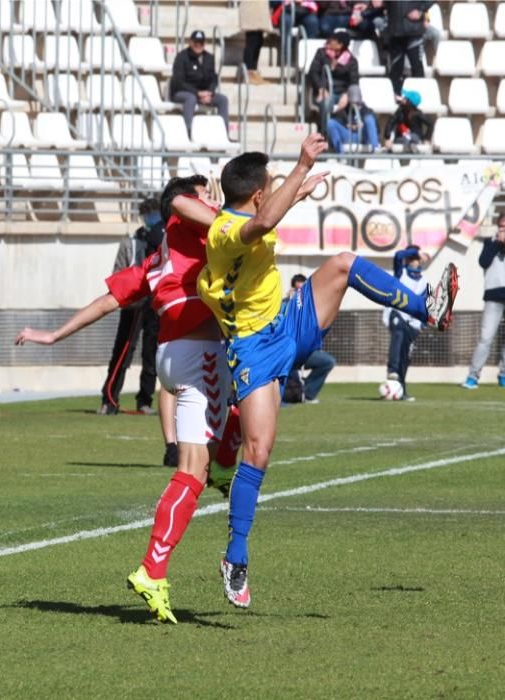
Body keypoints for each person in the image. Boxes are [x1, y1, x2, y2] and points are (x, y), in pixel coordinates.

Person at [196, 133, 458, 608]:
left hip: (284, 323)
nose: (274, 191)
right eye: (270, 186)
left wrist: (299, 189)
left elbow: (266, 214)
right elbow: (262, 222)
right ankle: (235, 556)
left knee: (343, 263)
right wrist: (299, 169)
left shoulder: (245, 215)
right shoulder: (227, 230)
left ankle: (427, 308)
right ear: (257, 194)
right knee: (259, 451)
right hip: (252, 350)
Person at [17, 175, 242, 624]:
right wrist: (225, 209)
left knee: (232, 428)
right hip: (200, 353)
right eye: (202, 193)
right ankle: (152, 569)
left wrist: (54, 335)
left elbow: (105, 302)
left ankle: (217, 473)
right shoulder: (199, 229)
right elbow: (235, 230)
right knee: (196, 467)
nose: (208, 198)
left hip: (172, 356)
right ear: (185, 204)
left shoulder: (156, 258)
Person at [100, 196, 164, 416]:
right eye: (147, 215)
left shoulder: (163, 240)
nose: (151, 220)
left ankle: (144, 401)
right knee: (123, 352)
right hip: (134, 304)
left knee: (151, 354)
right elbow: (118, 272)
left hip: (155, 304)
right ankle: (109, 399)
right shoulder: (132, 242)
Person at [462, 213, 505, 390]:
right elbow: (483, 261)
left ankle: (504, 375)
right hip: (494, 296)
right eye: (502, 226)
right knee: (485, 338)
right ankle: (473, 376)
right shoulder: (489, 242)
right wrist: (497, 243)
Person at [309, 29, 378, 151]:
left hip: (343, 93)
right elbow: (313, 72)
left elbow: (354, 81)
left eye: (334, 40)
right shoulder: (321, 53)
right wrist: (321, 87)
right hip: (324, 90)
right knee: (326, 105)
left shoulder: (351, 61)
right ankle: (323, 139)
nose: (330, 41)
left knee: (354, 109)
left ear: (340, 45)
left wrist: (347, 94)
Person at [384, 245, 429, 401]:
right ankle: (393, 369)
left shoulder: (423, 281)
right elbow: (397, 255)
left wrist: (421, 326)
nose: (412, 261)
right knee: (398, 332)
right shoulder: (400, 272)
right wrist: (416, 252)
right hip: (395, 315)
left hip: (412, 323)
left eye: (415, 258)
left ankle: (400, 389)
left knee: (406, 356)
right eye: (410, 257)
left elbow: (424, 305)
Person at [284, 274, 337, 403]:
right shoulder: (285, 305)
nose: (299, 293)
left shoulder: (313, 307)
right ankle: (289, 393)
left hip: (305, 352)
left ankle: (306, 393)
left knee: (327, 361)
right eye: (297, 290)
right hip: (287, 351)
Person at [169, 30, 230, 133]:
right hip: (183, 92)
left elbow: (213, 78)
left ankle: (224, 133)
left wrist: (209, 93)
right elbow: (179, 81)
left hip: (203, 93)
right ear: (191, 42)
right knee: (191, 98)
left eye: (201, 43)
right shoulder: (182, 57)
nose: (198, 45)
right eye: (196, 42)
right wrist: (197, 93)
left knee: (223, 100)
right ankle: (187, 132)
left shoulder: (209, 58)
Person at [386, 1, 431, 95]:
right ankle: (396, 97)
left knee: (417, 67)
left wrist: (421, 11)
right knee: (395, 69)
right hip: (395, 31)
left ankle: (419, 97)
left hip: (414, 31)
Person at [239, 1, 272, 85]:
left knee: (259, 41)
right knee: (252, 40)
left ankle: (254, 70)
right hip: (251, 7)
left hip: (260, 7)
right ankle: (248, 72)